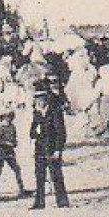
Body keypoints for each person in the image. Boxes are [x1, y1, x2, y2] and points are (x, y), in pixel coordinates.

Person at [30, 79, 70, 209]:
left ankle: (62, 201)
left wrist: (58, 149)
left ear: (46, 98)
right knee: (39, 175)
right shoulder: (36, 112)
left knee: (56, 175)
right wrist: (33, 136)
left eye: (40, 98)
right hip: (40, 146)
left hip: (52, 146)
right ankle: (39, 202)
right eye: (36, 98)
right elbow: (32, 129)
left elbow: (61, 132)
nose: (38, 101)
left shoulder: (55, 111)